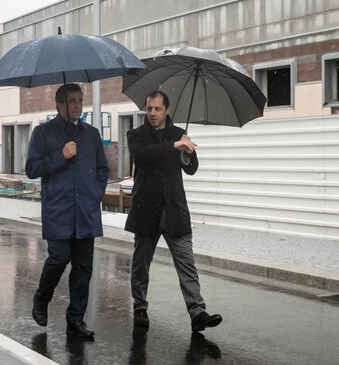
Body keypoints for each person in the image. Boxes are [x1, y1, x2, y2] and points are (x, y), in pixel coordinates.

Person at [125, 90, 222, 333]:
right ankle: (140, 307)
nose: (153, 113)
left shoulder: (179, 134)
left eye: (157, 109)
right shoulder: (136, 135)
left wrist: (188, 153)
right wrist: (174, 145)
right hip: (146, 208)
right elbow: (143, 156)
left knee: (186, 262)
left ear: (167, 110)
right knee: (141, 263)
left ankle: (197, 311)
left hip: (174, 209)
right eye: (149, 109)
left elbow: (191, 169)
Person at [25, 83, 108, 340]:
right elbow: (32, 168)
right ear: (59, 104)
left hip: (86, 212)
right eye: (72, 101)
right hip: (58, 211)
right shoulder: (43, 133)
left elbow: (103, 170)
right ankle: (42, 297)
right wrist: (61, 155)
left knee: (83, 269)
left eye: (80, 101)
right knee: (58, 259)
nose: (78, 106)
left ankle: (75, 320)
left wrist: (96, 194)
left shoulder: (91, 134)